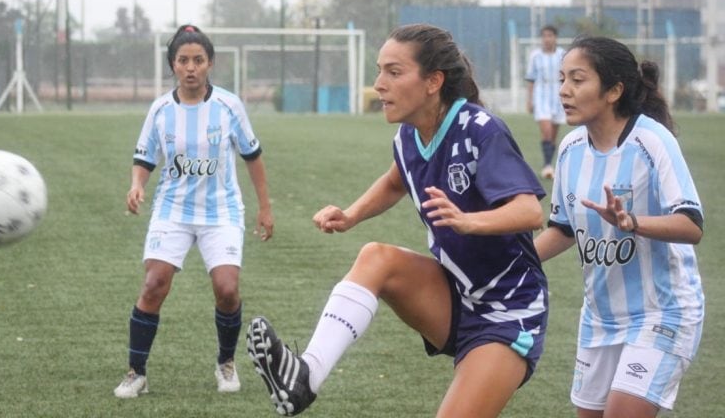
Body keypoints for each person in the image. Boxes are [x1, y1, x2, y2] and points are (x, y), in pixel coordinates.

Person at [245, 23, 549, 417]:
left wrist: (468, 220)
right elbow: (395, 181)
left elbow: (530, 211)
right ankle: (305, 377)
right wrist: (351, 214)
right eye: (379, 71)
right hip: (456, 295)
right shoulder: (408, 137)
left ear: (432, 82)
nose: (379, 84)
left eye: (394, 71)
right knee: (377, 257)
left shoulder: (479, 129)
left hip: (508, 312)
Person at [534, 36, 704, 418]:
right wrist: (514, 260)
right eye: (562, 79)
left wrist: (634, 222)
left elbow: (692, 225)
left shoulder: (653, 141)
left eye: (577, 80)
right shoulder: (571, 148)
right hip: (599, 318)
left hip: (662, 313)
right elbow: (562, 228)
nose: (564, 90)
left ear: (613, 90)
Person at [113, 24, 274, 398]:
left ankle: (226, 363)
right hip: (173, 210)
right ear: (173, 65)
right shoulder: (160, 109)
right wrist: (137, 184)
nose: (191, 67)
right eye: (183, 60)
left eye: (198, 60)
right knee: (154, 285)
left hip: (222, 212)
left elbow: (253, 156)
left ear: (210, 64)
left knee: (227, 290)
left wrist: (265, 208)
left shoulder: (229, 106)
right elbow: (144, 158)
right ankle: (136, 372)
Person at [526, 24, 566, 179]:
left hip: (558, 96)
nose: (547, 39)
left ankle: (548, 163)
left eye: (550, 35)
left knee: (553, 134)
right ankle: (548, 166)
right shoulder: (535, 56)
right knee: (546, 130)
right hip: (541, 96)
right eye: (544, 36)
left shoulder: (563, 54)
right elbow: (530, 79)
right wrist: (529, 100)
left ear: (555, 37)